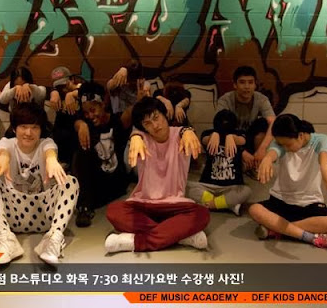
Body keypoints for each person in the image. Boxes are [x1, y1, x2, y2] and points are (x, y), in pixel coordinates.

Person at [104, 97, 210, 253]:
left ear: (165, 115)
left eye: (156, 117)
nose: (155, 125)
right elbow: (136, 135)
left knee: (202, 214)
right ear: (143, 127)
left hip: (175, 204)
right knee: (113, 211)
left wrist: (188, 131)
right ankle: (179, 235)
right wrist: (135, 136)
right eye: (147, 123)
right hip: (144, 203)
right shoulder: (141, 140)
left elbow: (184, 131)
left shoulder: (181, 135)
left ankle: (133, 242)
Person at [0, 103, 79, 265]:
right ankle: (6, 239)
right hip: (14, 217)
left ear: (41, 130)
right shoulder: (7, 143)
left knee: (71, 182)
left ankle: (52, 239)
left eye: (34, 127)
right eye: (23, 127)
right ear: (14, 128)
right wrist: (4, 158)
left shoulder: (46, 143)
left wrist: (52, 160)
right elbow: (3, 151)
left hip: (45, 215)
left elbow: (50, 151)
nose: (28, 132)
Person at [248, 114, 327, 252]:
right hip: (280, 201)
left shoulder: (321, 140)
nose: (285, 148)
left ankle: (277, 230)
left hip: (309, 204)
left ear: (300, 136)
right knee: (254, 209)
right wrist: (267, 159)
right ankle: (310, 237)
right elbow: (273, 151)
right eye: (282, 145)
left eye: (288, 145)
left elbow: (324, 152)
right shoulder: (280, 142)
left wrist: (325, 167)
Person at [71, 81, 133, 227]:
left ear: (103, 104)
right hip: (94, 187)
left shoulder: (117, 121)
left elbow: (132, 112)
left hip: (116, 184)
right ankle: (84, 206)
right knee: (80, 152)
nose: (90, 115)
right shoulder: (85, 124)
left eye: (93, 110)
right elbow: (75, 122)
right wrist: (81, 125)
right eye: (86, 113)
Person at [186, 110, 251, 216]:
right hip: (208, 185)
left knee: (246, 191)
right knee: (189, 188)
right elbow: (205, 139)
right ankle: (226, 204)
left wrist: (231, 137)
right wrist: (214, 134)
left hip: (231, 186)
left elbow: (242, 140)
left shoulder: (240, 134)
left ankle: (211, 204)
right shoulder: (207, 133)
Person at [216, 66, 276, 176]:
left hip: (250, 139)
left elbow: (273, 123)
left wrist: (262, 149)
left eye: (250, 82)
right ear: (235, 85)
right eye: (242, 82)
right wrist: (241, 152)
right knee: (215, 133)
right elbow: (219, 127)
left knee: (263, 124)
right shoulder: (225, 100)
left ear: (255, 84)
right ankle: (242, 162)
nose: (247, 87)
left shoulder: (261, 99)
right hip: (232, 140)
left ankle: (256, 164)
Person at [47, 66, 85, 166]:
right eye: (58, 87)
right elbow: (41, 89)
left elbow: (90, 90)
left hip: (78, 135)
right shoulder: (58, 93)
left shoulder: (82, 89)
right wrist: (53, 92)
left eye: (65, 85)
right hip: (62, 137)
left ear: (72, 79)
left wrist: (72, 94)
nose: (63, 89)